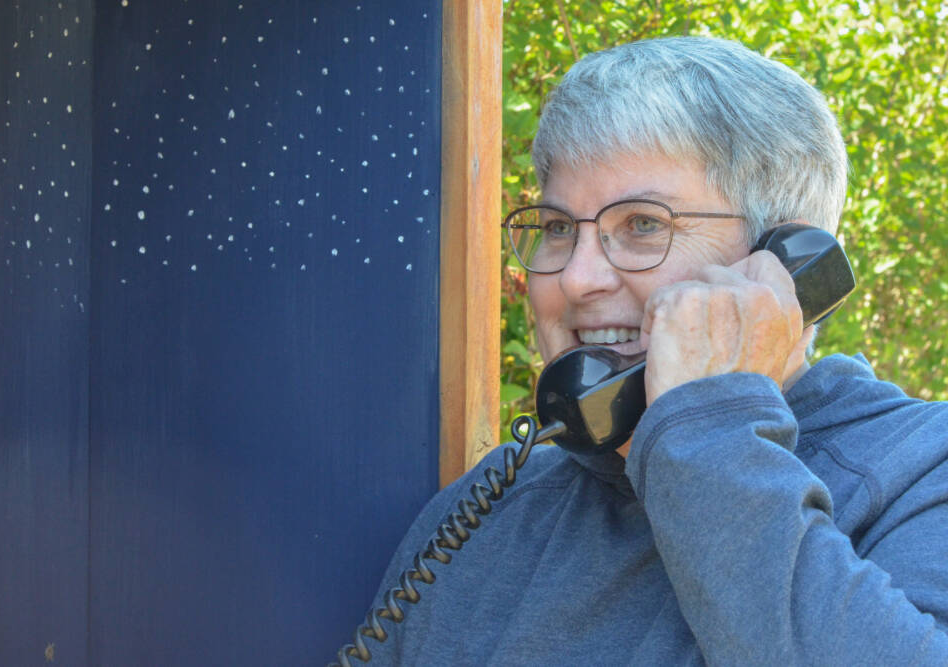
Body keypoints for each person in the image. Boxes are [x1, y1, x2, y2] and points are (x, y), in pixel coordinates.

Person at [355, 37, 948, 665]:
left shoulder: (918, 473)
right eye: (559, 229)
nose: (578, 279)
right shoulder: (494, 510)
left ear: (780, 268)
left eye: (642, 225)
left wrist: (709, 428)